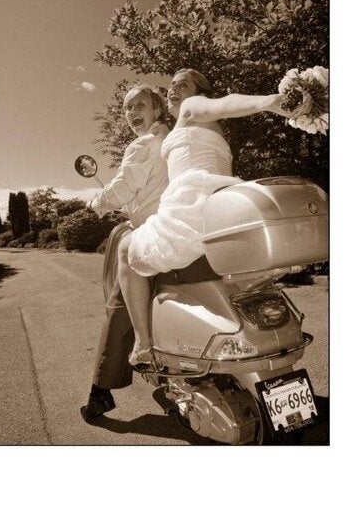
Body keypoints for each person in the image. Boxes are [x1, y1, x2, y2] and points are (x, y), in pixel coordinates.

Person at [118, 68, 311, 365]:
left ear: (200, 93)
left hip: (189, 213)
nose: (174, 89)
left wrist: (270, 101)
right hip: (219, 210)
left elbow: (227, 101)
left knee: (124, 249)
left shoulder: (191, 110)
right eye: (171, 85)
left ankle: (143, 344)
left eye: (183, 85)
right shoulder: (207, 128)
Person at [81, 84, 169, 421]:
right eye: (127, 108)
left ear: (157, 109)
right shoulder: (171, 140)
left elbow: (124, 186)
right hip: (180, 227)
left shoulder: (143, 144)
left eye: (140, 106)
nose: (132, 113)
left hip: (149, 232)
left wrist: (99, 202)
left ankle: (100, 391)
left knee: (118, 305)